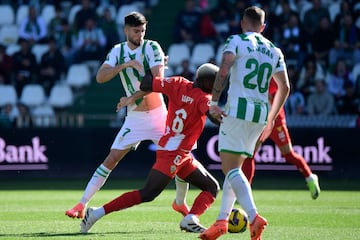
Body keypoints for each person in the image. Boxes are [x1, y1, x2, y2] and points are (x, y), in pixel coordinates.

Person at [80, 63, 221, 234]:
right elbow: (212, 116)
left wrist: (150, 67)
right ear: (206, 81)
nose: (217, 87)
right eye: (215, 82)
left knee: (212, 187)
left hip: (177, 151)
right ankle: (96, 213)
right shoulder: (203, 98)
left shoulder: (177, 83)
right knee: (148, 193)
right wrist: (226, 120)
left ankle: (190, 217)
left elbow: (146, 84)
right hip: (173, 153)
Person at [199, 6, 290, 240]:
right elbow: (285, 87)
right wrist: (271, 118)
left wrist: (215, 101)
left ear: (242, 23)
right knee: (235, 170)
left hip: (237, 111)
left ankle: (254, 216)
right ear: (263, 27)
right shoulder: (274, 50)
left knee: (230, 169)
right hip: (260, 114)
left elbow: (225, 68)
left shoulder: (236, 41)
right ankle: (221, 221)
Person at [65, 11, 168, 219]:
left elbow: (158, 82)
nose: (140, 35)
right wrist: (124, 65)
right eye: (136, 31)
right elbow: (100, 77)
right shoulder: (118, 51)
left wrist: (132, 97)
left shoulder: (152, 47)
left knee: (179, 157)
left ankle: (180, 203)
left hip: (158, 115)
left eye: (143, 31)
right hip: (136, 118)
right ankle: (81, 204)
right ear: (126, 30)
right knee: (111, 158)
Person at [241, 78, 320, 199]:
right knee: (250, 154)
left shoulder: (273, 75)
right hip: (260, 120)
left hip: (276, 121)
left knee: (288, 154)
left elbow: (275, 97)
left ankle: (310, 177)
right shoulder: (256, 72)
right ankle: (246, 192)